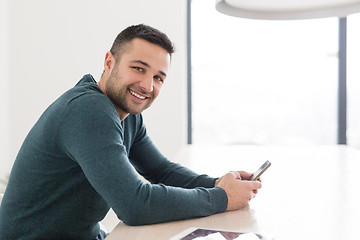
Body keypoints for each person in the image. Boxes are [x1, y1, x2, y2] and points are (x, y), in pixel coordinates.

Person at [0, 24, 261, 240]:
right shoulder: (88, 110)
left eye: (159, 77)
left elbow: (161, 171)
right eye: (138, 68)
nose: (147, 85)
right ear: (109, 62)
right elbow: (135, 205)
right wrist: (222, 198)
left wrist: (219, 183)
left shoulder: (126, 116)